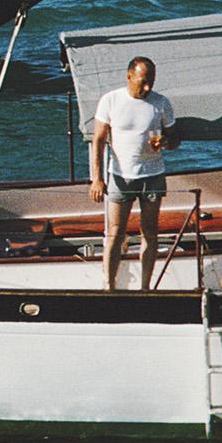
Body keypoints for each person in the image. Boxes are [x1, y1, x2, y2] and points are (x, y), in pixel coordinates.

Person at [88, 56, 180, 291]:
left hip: (153, 174)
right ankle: (109, 286)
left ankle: (146, 287)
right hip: (120, 175)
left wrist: (166, 143)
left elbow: (175, 138)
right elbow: (98, 140)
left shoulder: (161, 103)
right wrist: (97, 178)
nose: (148, 88)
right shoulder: (110, 100)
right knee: (115, 233)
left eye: (151, 82)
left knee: (149, 231)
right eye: (143, 82)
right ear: (129, 77)